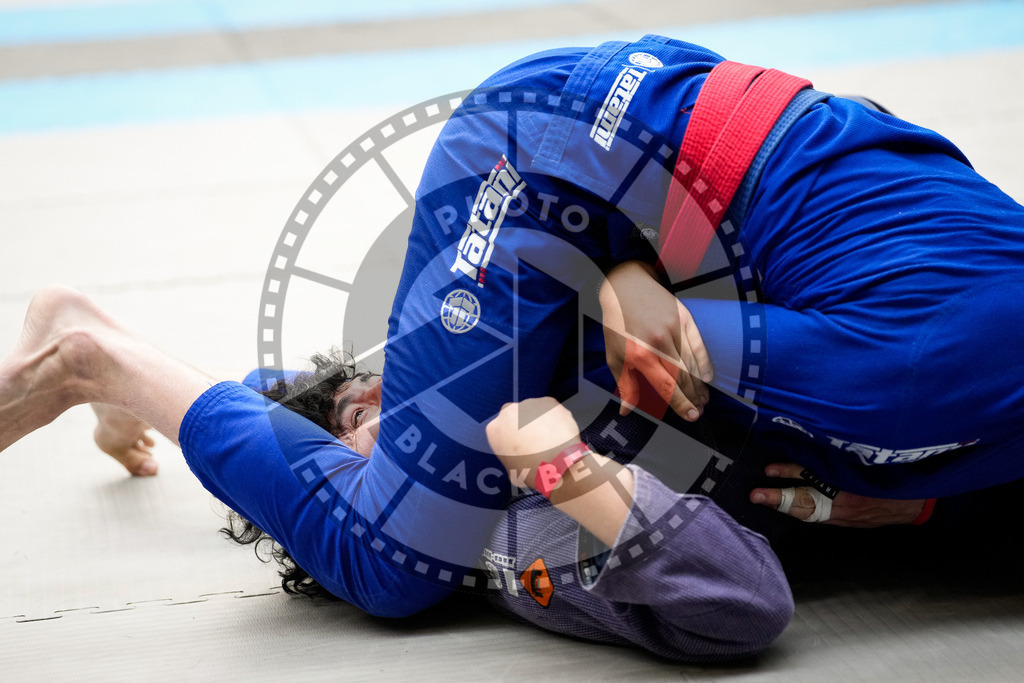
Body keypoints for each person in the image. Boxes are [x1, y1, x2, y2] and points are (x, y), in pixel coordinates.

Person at [4, 31, 1022, 653]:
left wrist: (925, 495)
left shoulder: (945, 394)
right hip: (562, 156)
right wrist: (618, 264)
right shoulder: (907, 380)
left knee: (424, 463)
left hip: (653, 140)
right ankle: (97, 354)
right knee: (393, 552)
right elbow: (648, 329)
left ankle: (223, 385)